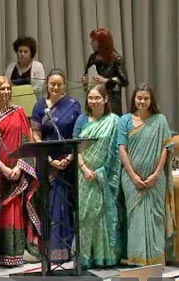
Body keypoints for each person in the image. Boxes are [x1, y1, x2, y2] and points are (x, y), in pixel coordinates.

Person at [118, 83, 175, 266]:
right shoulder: (125, 120)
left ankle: (156, 261)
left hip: (155, 180)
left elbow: (166, 148)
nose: (142, 101)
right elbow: (122, 149)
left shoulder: (160, 120)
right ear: (134, 99)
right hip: (131, 180)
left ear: (151, 100)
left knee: (156, 217)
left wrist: (156, 174)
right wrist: (134, 176)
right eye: (139, 97)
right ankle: (137, 261)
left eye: (146, 98)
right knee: (135, 219)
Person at [0, 76, 40, 266]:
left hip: (17, 171)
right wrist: (1, 168)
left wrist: (19, 166)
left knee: (14, 210)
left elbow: (27, 141)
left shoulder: (19, 112)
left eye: (8, 88)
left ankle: (14, 253)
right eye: (2, 89)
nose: (6, 92)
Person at [31, 68, 81, 262]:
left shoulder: (73, 105)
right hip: (47, 163)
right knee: (49, 207)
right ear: (47, 85)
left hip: (68, 164)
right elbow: (35, 133)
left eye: (59, 84)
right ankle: (50, 251)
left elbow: (79, 132)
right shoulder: (39, 106)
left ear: (64, 85)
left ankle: (68, 251)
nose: (55, 87)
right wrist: (49, 159)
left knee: (67, 207)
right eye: (52, 84)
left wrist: (69, 158)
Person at [72, 84, 121, 268]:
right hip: (83, 174)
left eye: (97, 98)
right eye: (90, 98)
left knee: (100, 215)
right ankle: (84, 257)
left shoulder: (114, 121)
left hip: (103, 176)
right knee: (84, 215)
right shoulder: (82, 120)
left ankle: (103, 257)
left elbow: (116, 152)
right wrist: (84, 168)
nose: (93, 101)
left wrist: (101, 172)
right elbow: (75, 146)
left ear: (105, 99)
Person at [82, 28, 129, 115]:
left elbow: (124, 81)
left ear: (101, 42)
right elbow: (86, 79)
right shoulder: (92, 58)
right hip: (94, 100)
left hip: (111, 101)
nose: (91, 43)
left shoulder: (116, 59)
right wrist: (85, 82)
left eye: (93, 41)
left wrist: (106, 80)